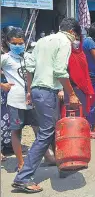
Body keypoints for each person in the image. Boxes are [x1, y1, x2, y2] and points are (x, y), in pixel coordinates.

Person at [12, 18, 81, 193]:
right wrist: (71, 93)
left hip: (37, 90)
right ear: (72, 32)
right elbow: (59, 70)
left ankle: (63, 165)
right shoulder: (64, 42)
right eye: (76, 36)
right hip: (47, 91)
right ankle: (23, 178)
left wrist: (29, 90)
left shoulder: (42, 41)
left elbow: (30, 67)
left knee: (52, 130)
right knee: (46, 133)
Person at [1, 27, 56, 172]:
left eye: (21, 43)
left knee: (39, 130)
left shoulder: (29, 57)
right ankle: (20, 162)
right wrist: (2, 85)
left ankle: (48, 157)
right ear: (8, 42)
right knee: (16, 131)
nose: (18, 46)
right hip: (15, 101)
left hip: (32, 101)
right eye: (14, 43)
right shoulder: (5, 58)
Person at [59, 35, 95, 135]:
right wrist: (61, 89)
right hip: (70, 88)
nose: (76, 42)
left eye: (78, 39)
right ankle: (71, 134)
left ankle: (82, 132)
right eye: (74, 39)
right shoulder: (65, 54)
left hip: (82, 88)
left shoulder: (82, 54)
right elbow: (60, 72)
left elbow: (84, 71)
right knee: (71, 112)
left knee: (82, 111)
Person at [0, 26, 15, 162]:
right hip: (2, 88)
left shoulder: (10, 52)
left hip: (8, 91)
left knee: (7, 119)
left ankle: (7, 144)